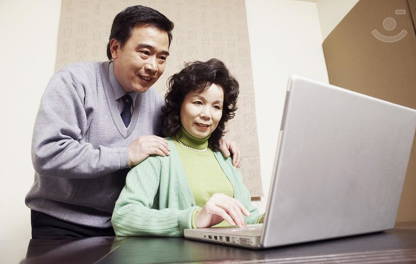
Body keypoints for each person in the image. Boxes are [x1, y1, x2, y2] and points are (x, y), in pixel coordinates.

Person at [26, 5, 240, 239]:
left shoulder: (155, 104)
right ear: (115, 48)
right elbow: (47, 153)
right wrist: (125, 155)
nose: (153, 66)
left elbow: (183, 134)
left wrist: (217, 141)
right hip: (60, 222)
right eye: (145, 53)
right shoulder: (74, 83)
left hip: (120, 227)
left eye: (161, 57)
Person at [111, 59, 263, 237]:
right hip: (187, 260)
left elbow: (248, 215)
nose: (206, 115)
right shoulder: (158, 153)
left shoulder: (225, 156)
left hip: (232, 261)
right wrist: (194, 218)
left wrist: (270, 219)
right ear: (180, 105)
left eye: (216, 106)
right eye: (198, 102)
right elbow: (123, 217)